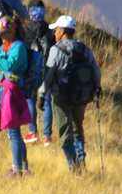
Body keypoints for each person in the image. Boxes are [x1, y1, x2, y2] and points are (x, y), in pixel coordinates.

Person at [43, 15, 101, 172]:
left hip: (61, 97)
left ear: (62, 31)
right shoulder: (84, 49)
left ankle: (74, 168)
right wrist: (97, 89)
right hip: (81, 96)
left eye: (56, 30)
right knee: (77, 129)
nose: (54, 33)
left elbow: (49, 74)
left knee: (64, 134)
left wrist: (42, 94)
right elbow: (95, 70)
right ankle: (81, 162)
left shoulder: (56, 50)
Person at [0, 16, 33, 176]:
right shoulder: (6, 47)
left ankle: (16, 169)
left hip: (12, 93)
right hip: (6, 92)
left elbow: (7, 65)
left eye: (3, 33)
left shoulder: (18, 47)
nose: (0, 36)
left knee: (13, 133)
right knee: (15, 132)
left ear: (11, 32)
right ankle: (24, 168)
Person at [24, 0, 54, 146]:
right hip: (47, 69)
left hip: (30, 69)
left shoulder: (26, 30)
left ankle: (32, 132)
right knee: (47, 101)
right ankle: (47, 136)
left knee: (30, 99)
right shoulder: (50, 31)